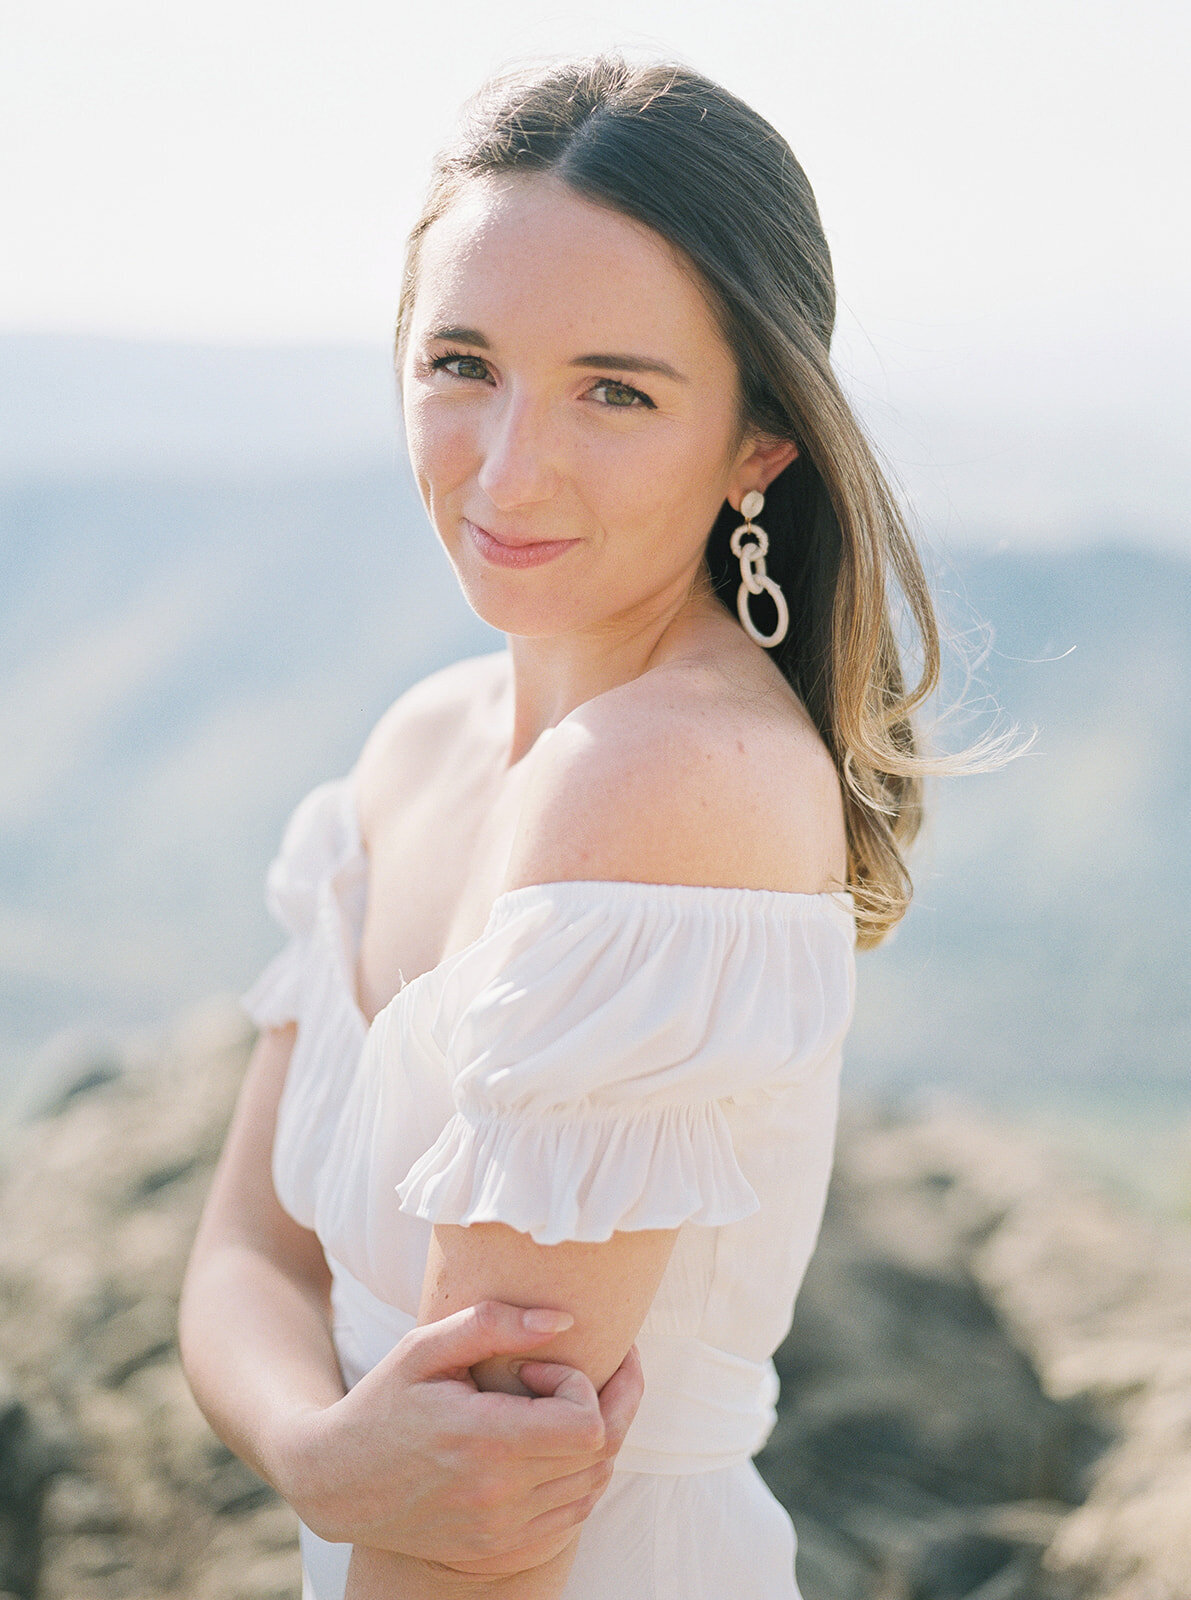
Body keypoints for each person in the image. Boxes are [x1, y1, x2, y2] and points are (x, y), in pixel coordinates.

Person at [179, 52, 949, 1600]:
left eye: (616, 389)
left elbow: (484, 1527)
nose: (508, 465)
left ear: (759, 442)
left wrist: (349, 1481)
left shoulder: (666, 787)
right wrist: (322, 1462)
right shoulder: (418, 745)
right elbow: (245, 1262)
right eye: (462, 361)